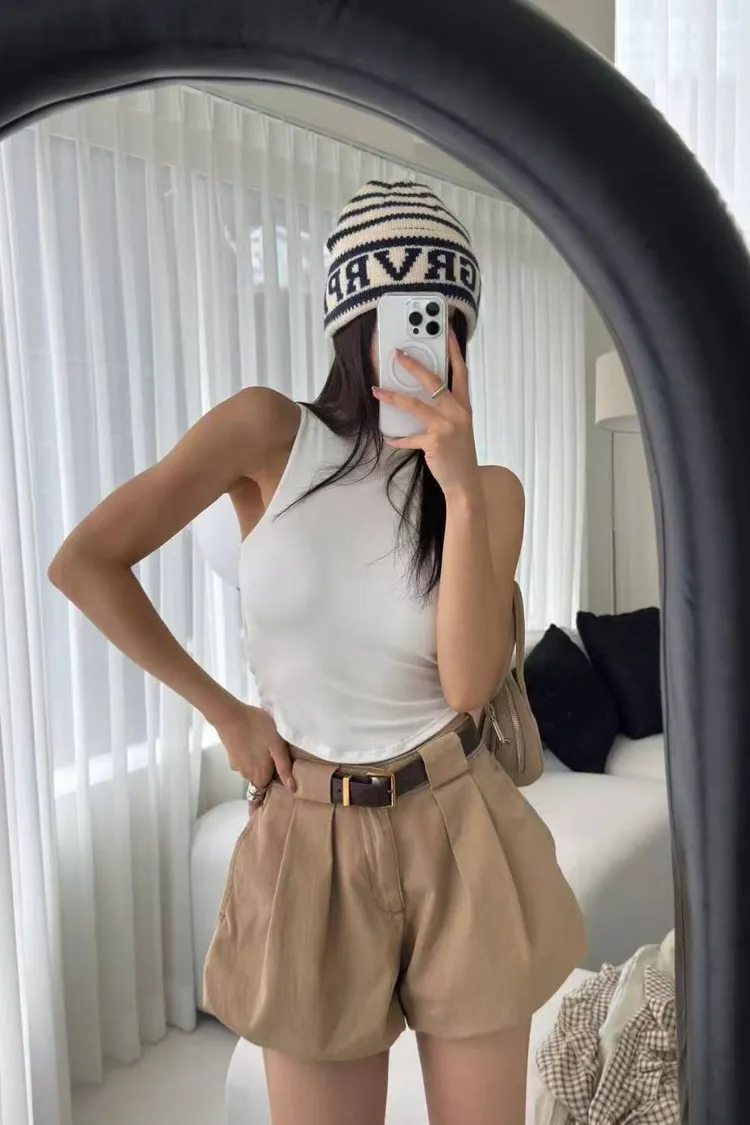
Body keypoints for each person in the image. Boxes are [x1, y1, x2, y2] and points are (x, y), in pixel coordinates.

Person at [48, 180, 586, 1125]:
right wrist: (224, 710)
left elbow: (467, 684)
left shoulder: (489, 491)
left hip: (458, 816)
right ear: (352, 322)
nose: (427, 342)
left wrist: (458, 489)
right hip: (311, 827)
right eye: (406, 316)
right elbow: (85, 561)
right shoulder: (266, 433)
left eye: (447, 323)